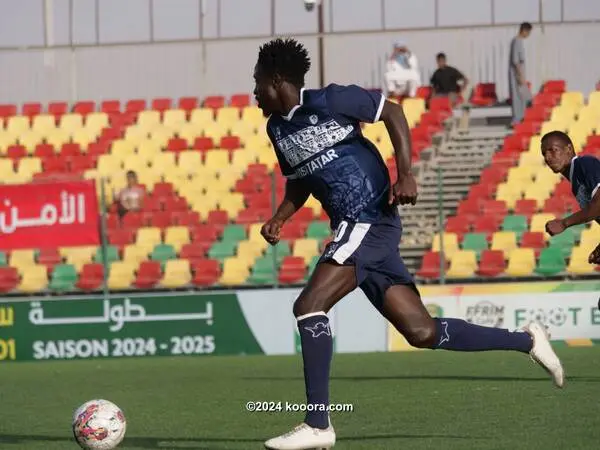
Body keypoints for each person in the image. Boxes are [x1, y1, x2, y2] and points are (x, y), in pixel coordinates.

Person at [253, 38, 563, 450]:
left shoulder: (331, 99)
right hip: (361, 230)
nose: (253, 91)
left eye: (257, 82)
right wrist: (280, 217)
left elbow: (393, 112)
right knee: (421, 331)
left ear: (276, 81)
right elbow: (302, 177)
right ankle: (526, 339)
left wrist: (406, 173)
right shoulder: (277, 128)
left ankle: (318, 424)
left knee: (308, 306)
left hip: (368, 219)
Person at [542, 131, 600, 266]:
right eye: (544, 153)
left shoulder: (585, 163)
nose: (548, 157)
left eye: (553, 150)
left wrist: (564, 223)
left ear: (568, 149)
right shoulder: (575, 181)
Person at [509, 22, 533, 126]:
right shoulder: (517, 41)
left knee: (524, 98)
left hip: (520, 74)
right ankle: (517, 120)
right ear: (524, 30)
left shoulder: (519, 42)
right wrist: (520, 76)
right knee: (519, 98)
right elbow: (516, 61)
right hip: (517, 76)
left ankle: (522, 119)